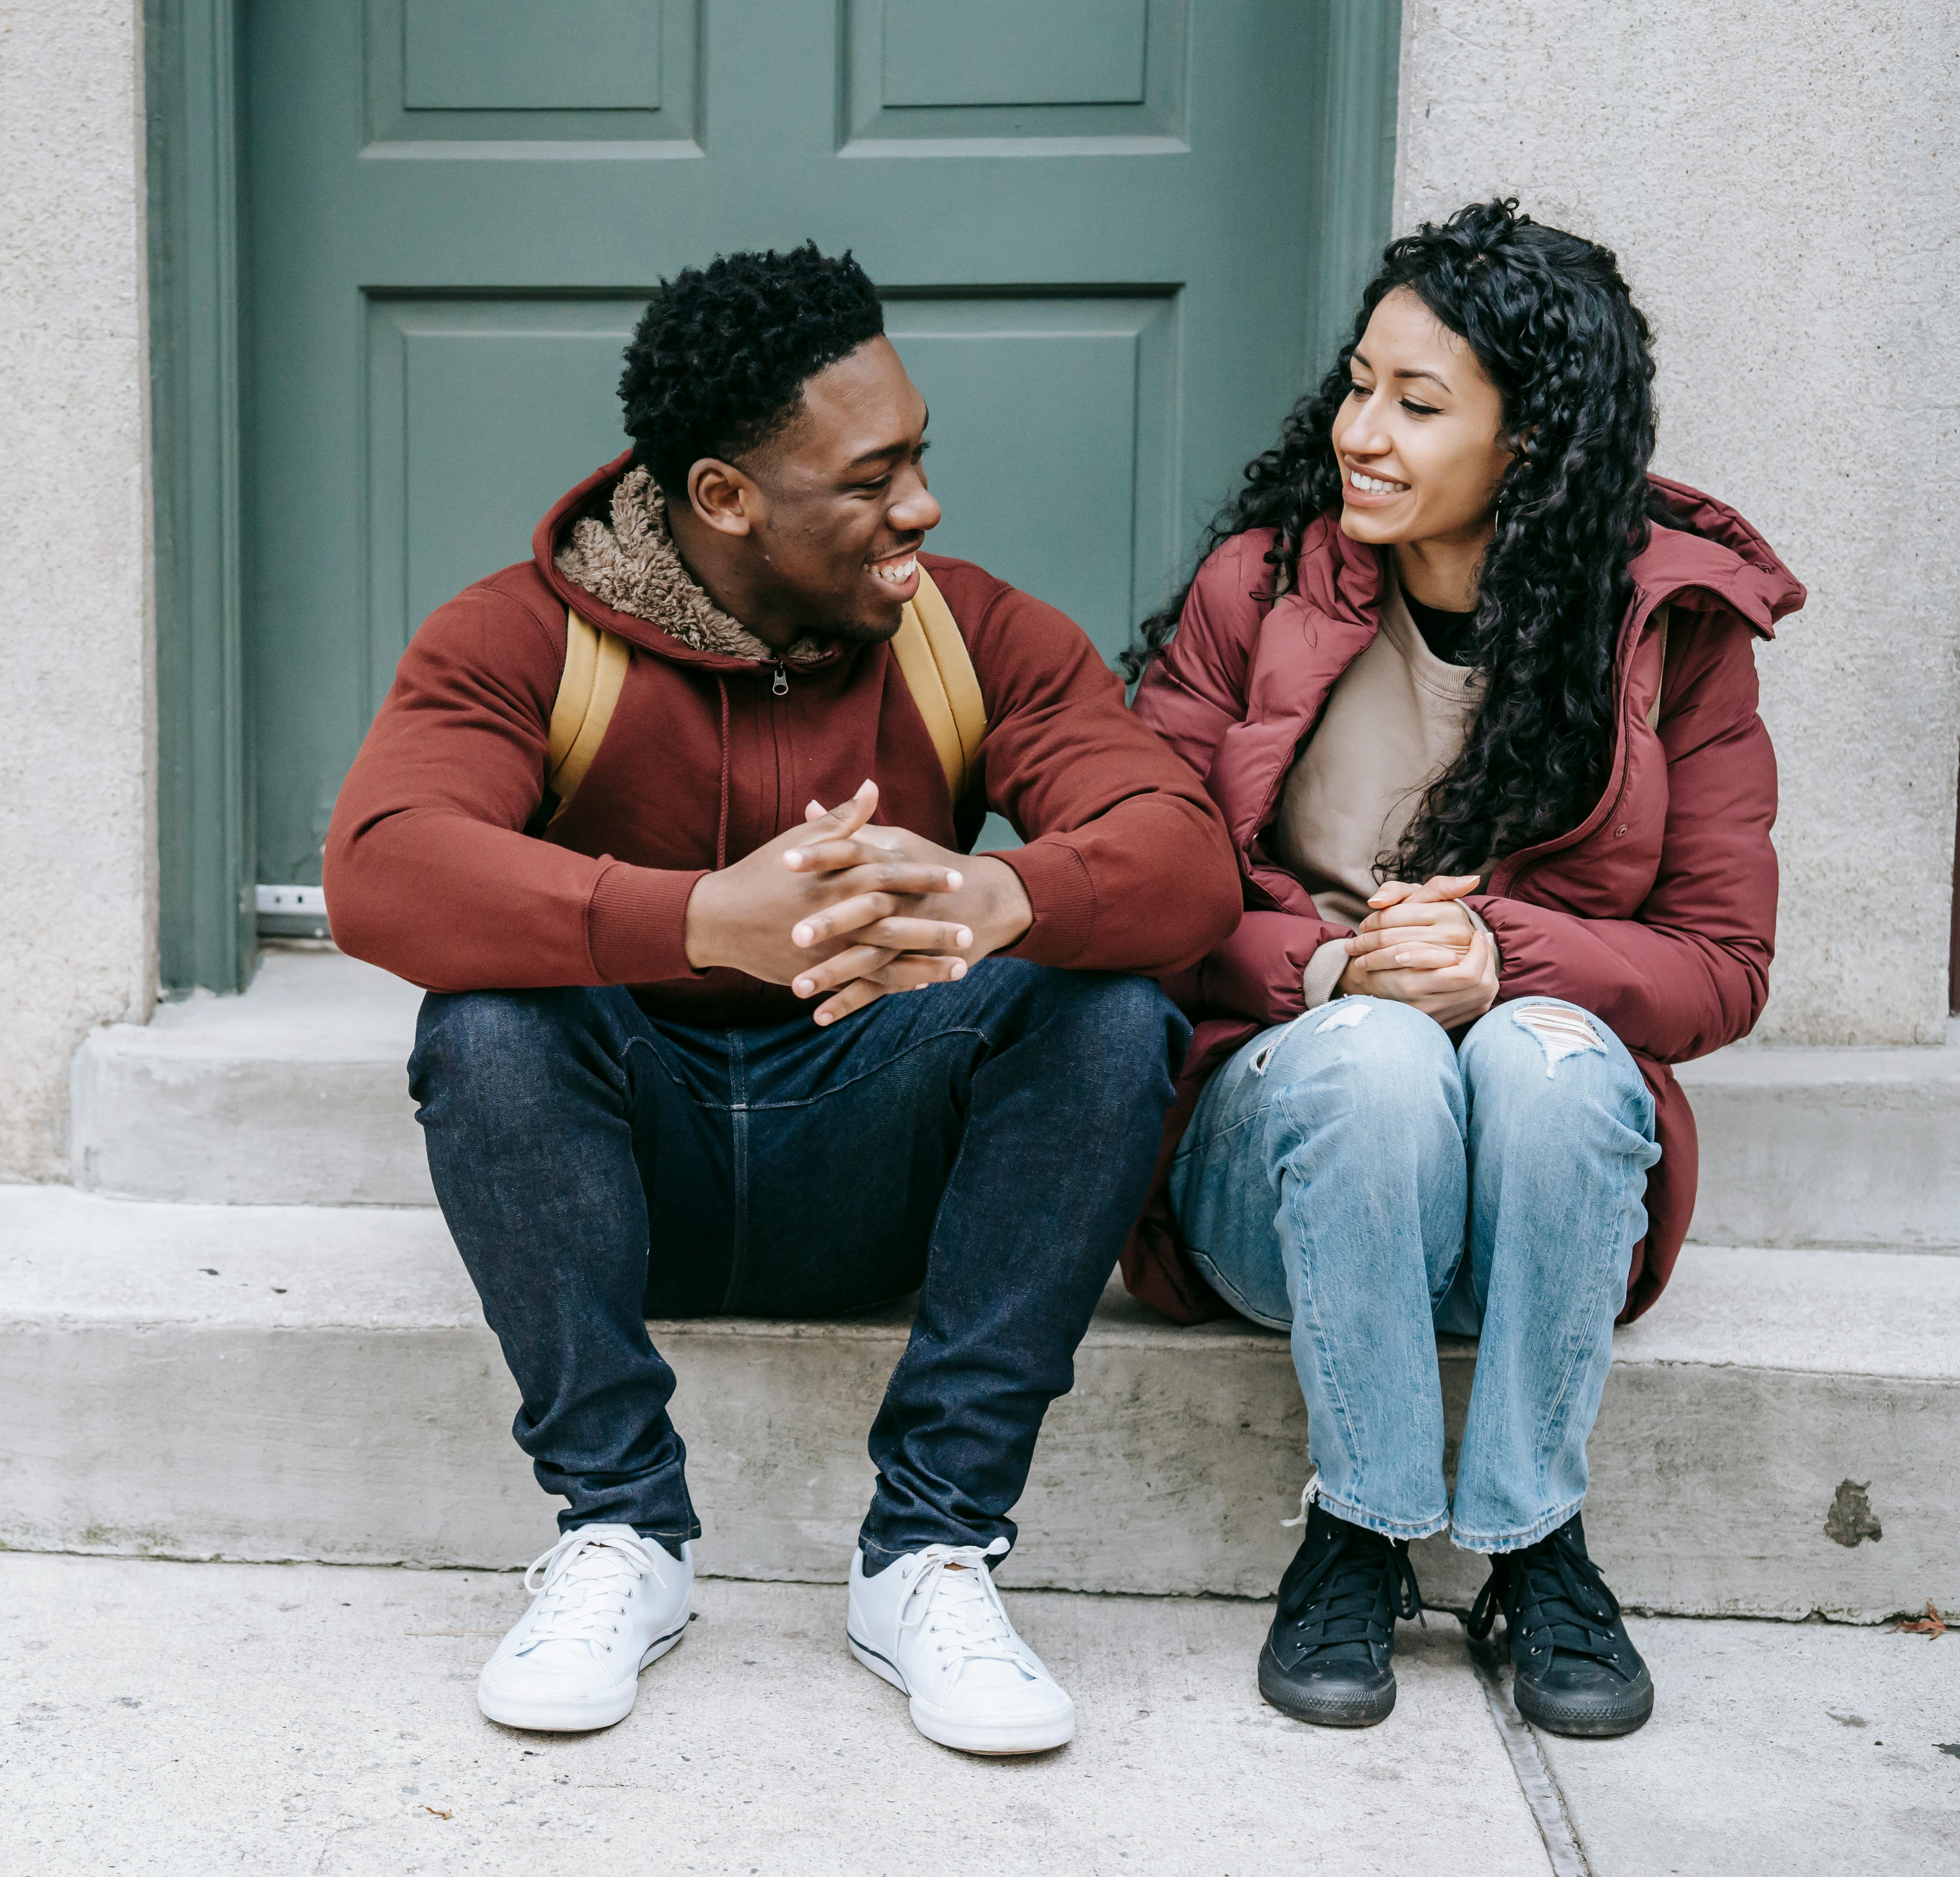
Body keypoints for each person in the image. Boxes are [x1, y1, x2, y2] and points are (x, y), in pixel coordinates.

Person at [324, 244, 1237, 1754]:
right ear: (725, 497)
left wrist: (1000, 894)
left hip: (877, 1155)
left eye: (921, 457)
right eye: (873, 480)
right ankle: (621, 1530)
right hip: (639, 1170)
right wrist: (695, 921)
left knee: (1109, 1014)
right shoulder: (520, 638)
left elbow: (1184, 853)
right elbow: (379, 870)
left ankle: (929, 1552)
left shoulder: (974, 633)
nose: (923, 508)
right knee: (483, 1025)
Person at [1123, 200, 1803, 1739]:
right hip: (1289, 1160)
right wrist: (1332, 973)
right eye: (1360, 384)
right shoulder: (1263, 590)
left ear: (1537, 443)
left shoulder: (1671, 633)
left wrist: (1508, 962)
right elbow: (1144, 890)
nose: (1363, 431)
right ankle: (1361, 1528)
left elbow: (1723, 964)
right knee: (1377, 1060)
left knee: (1544, 1058)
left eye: (1419, 406)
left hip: (1531, 1180)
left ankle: (1530, 1538)